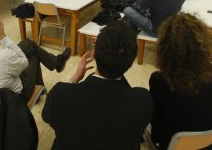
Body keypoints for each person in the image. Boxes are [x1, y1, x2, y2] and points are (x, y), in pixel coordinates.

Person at [42, 22, 153, 150]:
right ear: (131, 62)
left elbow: (47, 116)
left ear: (93, 55)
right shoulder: (142, 100)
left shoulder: (61, 94)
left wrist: (76, 77)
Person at [150, 13, 212, 150]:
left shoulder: (160, 80)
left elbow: (157, 128)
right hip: (209, 144)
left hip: (172, 145)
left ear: (164, 47)